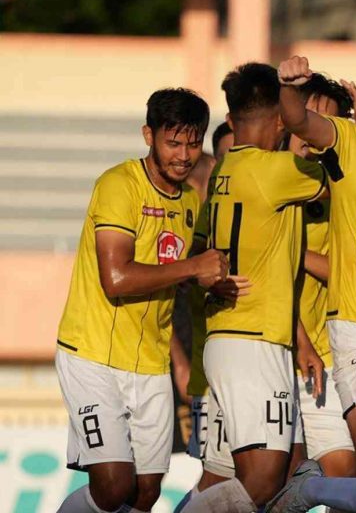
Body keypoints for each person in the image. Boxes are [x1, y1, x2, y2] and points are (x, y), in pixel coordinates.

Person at [55, 88, 231, 512]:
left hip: (150, 362)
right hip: (94, 355)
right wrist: (193, 268)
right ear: (148, 135)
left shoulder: (190, 200)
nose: (184, 155)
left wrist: (211, 281)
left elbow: (171, 271)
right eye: (173, 142)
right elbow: (116, 278)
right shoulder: (119, 184)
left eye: (193, 142)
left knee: (146, 492)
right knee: (114, 489)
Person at [181, 62, 327, 512]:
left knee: (227, 476)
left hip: (229, 339)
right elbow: (339, 184)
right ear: (281, 118)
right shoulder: (277, 170)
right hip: (254, 342)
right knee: (265, 482)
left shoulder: (224, 170)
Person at [289, 73, 356, 481]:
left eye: (326, 124)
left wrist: (291, 254)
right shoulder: (261, 178)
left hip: (323, 359)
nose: (313, 132)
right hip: (267, 353)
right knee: (265, 478)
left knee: (344, 472)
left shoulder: (340, 192)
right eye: (308, 116)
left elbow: (346, 272)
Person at [173, 120, 241, 513]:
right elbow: (164, 301)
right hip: (201, 374)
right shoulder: (193, 230)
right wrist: (181, 364)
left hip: (247, 366)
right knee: (217, 476)